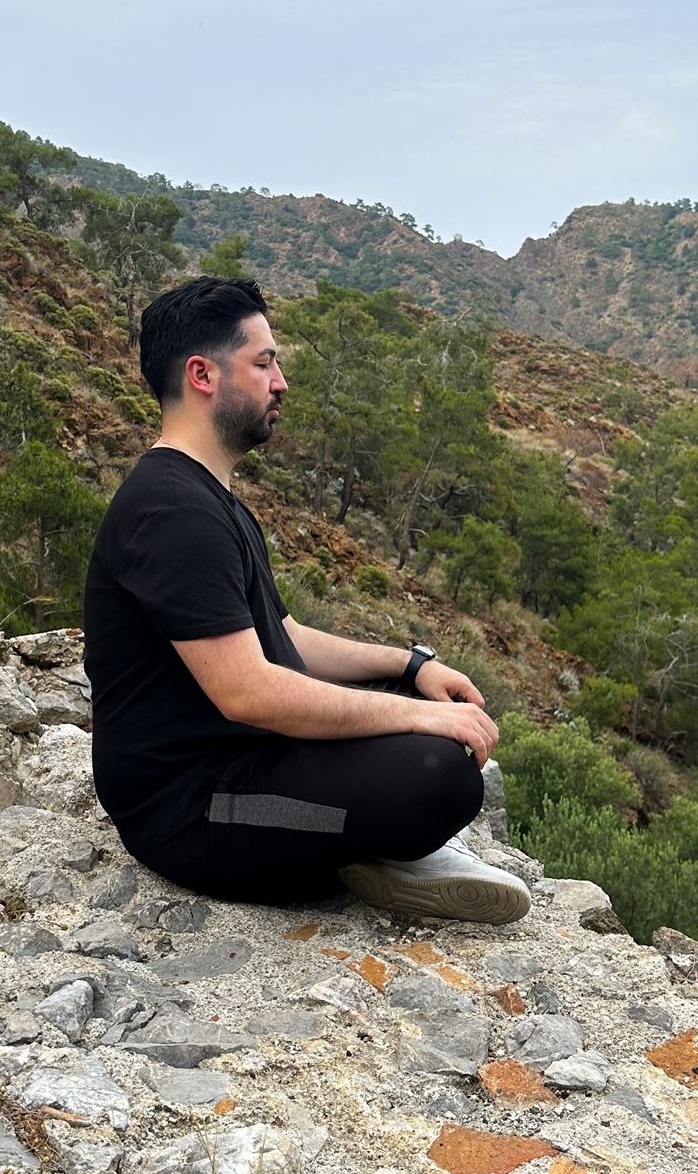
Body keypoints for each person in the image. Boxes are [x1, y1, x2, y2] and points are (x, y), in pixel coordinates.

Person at [82, 275, 531, 923]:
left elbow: (285, 638)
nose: (281, 381)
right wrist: (416, 720)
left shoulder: (208, 498)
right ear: (203, 374)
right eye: (264, 363)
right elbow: (249, 692)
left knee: (423, 703)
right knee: (439, 774)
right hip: (195, 809)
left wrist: (411, 668)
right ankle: (378, 847)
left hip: (252, 756)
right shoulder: (172, 511)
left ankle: (367, 839)